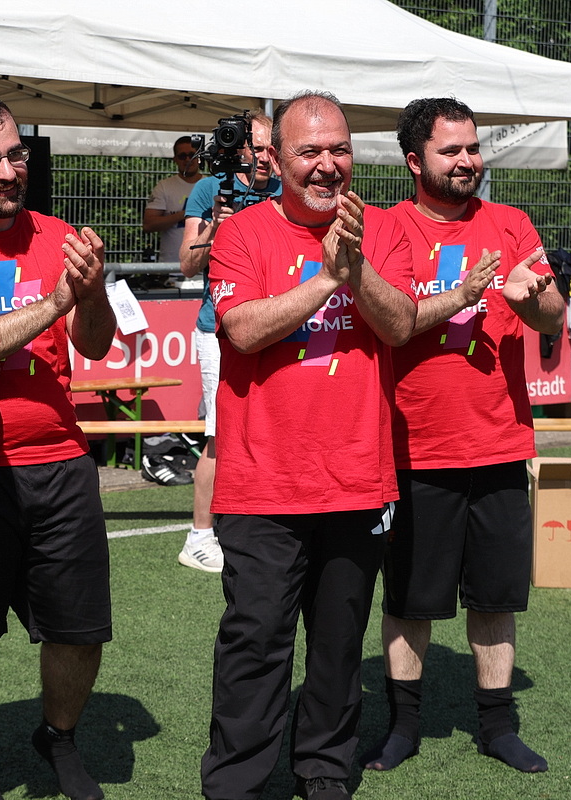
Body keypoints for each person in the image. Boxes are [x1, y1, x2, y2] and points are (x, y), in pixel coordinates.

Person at [201, 91, 417, 800]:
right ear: (275, 158)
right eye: (309, 152)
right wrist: (327, 277)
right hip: (262, 483)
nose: (328, 165)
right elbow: (241, 330)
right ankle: (238, 782)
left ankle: (324, 770)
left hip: (356, 478)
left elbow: (400, 323)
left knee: (338, 644)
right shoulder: (240, 234)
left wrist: (357, 268)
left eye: (339, 150)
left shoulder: (383, 230)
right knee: (256, 642)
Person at [362, 97, 564, 776]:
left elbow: (553, 317)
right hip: (415, 447)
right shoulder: (389, 228)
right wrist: (463, 294)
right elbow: (391, 322)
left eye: (473, 148)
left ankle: (497, 727)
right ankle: (403, 727)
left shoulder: (510, 223)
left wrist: (535, 299)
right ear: (414, 160)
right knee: (410, 600)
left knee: (496, 596)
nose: (467, 160)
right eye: (451, 150)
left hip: (501, 443)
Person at [0, 94, 116, 800]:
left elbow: (95, 344)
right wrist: (58, 300)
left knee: (80, 630)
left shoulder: (59, 235)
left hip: (61, 464)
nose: (8, 172)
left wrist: (89, 293)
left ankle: (58, 737)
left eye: (15, 155)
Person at [175, 112, 280, 573]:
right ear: (239, 148)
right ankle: (199, 536)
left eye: (271, 147)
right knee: (221, 433)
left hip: (274, 325)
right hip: (217, 328)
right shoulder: (209, 188)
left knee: (271, 426)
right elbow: (187, 264)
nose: (263, 156)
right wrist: (216, 225)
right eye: (255, 146)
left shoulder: (286, 190)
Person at [143, 135, 201, 265]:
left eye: (192, 155)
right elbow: (148, 225)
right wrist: (183, 215)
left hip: (204, 266)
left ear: (199, 157)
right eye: (182, 156)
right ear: (175, 159)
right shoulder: (164, 186)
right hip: (171, 266)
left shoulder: (211, 184)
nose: (188, 159)